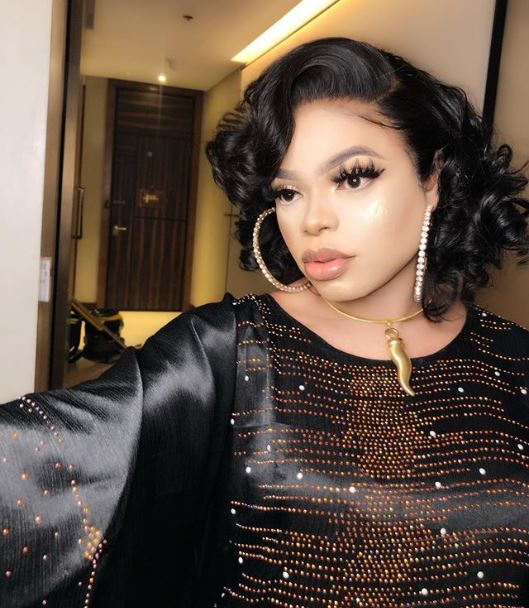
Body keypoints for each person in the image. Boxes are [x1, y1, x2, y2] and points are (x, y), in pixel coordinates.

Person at [1, 37, 529, 608]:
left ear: (433, 176)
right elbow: (35, 465)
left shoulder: (516, 359)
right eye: (289, 191)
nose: (313, 220)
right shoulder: (221, 353)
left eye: (352, 177)